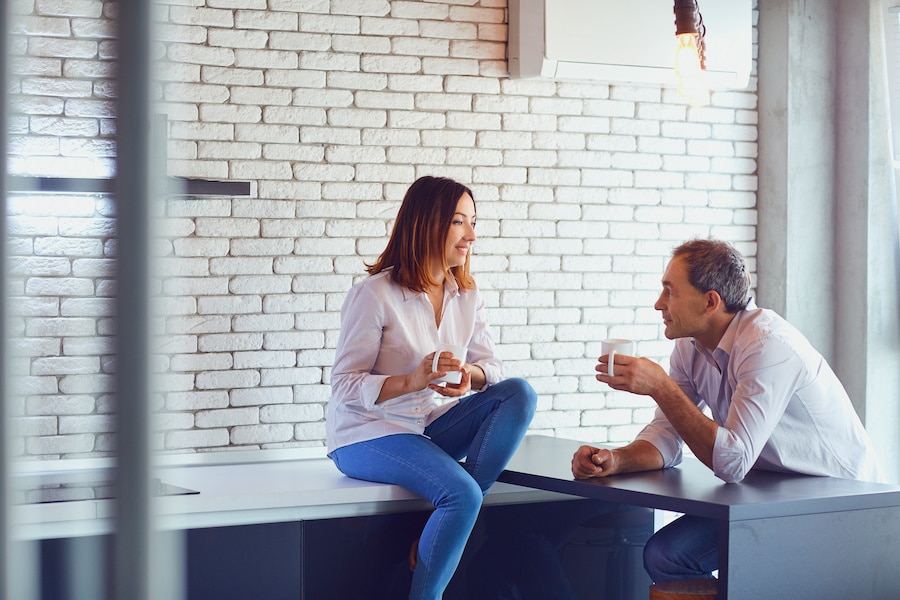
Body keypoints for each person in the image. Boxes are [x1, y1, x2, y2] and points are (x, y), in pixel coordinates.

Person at [571, 238, 884, 584]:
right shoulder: (689, 347)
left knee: (694, 561)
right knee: (665, 555)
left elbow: (733, 461)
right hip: (773, 493)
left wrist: (661, 386)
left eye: (669, 291)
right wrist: (614, 461)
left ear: (710, 301)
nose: (658, 304)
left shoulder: (767, 346)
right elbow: (666, 436)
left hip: (841, 503)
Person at [327, 175, 537, 600]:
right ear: (427, 223)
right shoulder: (375, 294)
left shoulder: (466, 295)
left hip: (427, 426)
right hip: (368, 433)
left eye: (473, 222)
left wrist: (470, 378)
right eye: (460, 222)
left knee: (519, 393)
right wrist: (413, 380)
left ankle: (432, 528)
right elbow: (344, 387)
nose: (472, 236)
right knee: (461, 494)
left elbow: (491, 366)